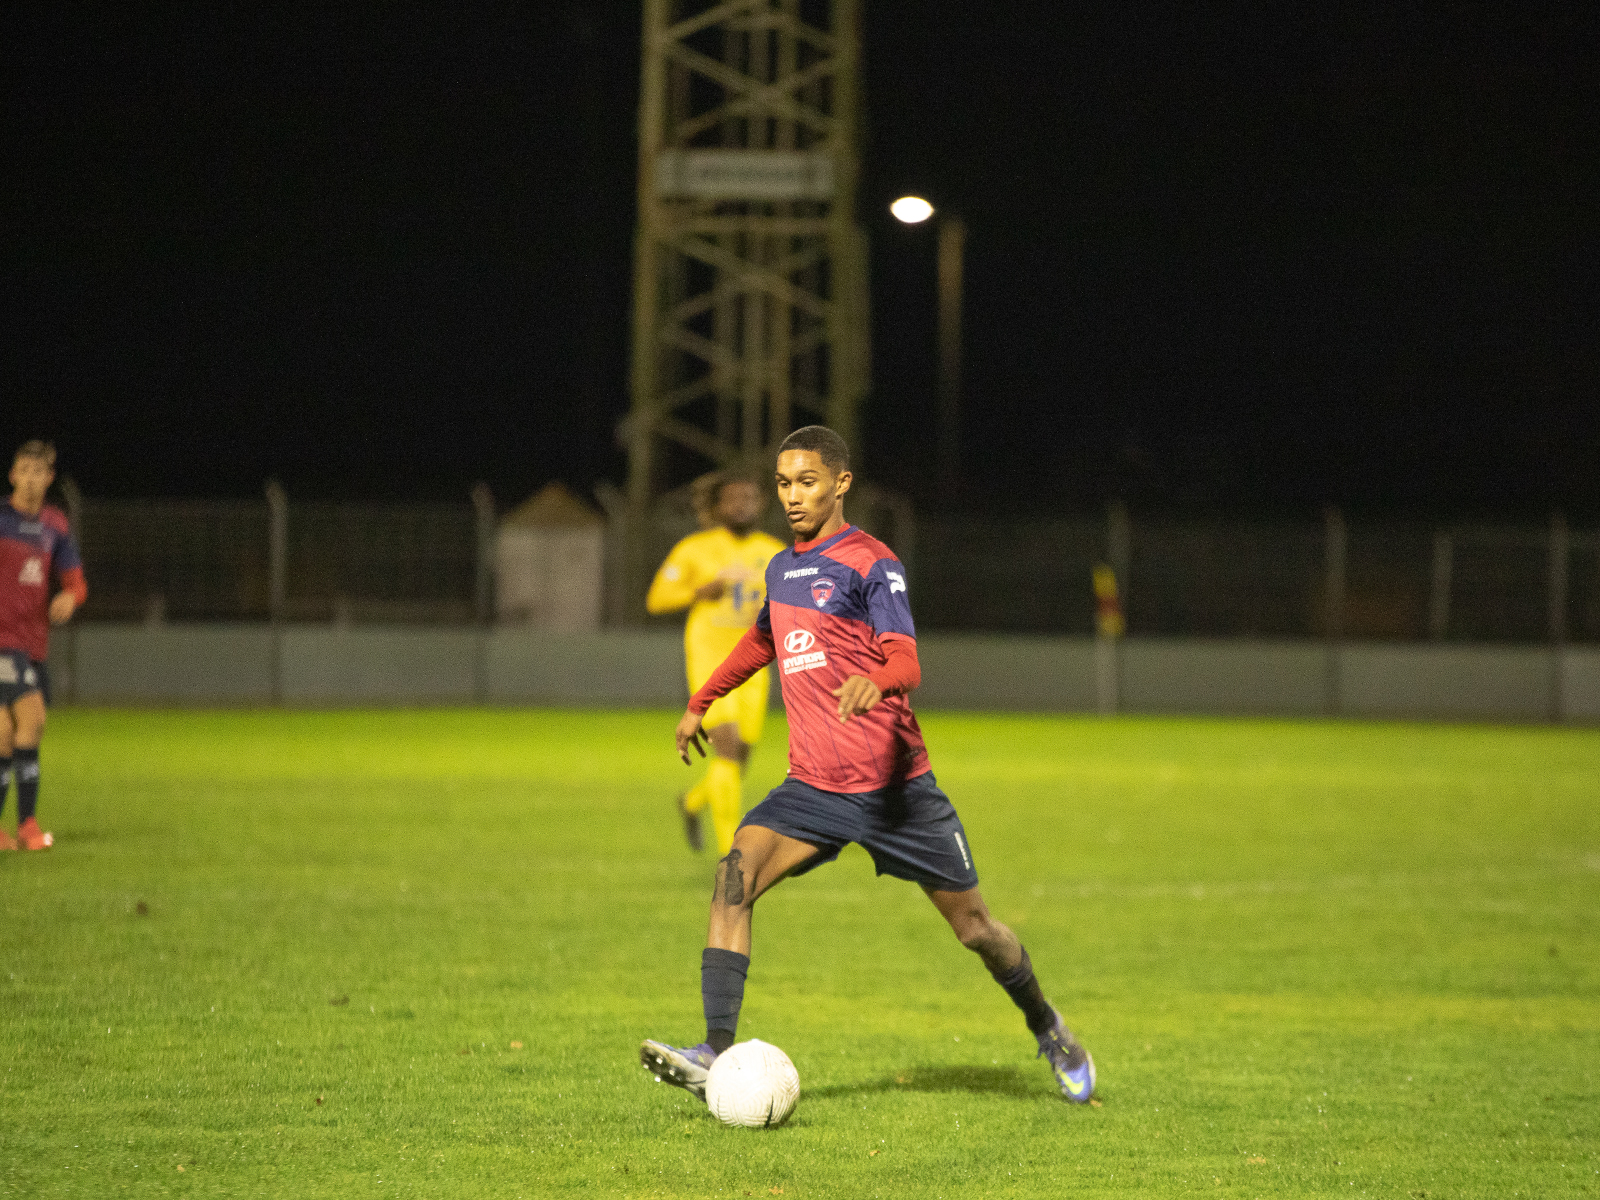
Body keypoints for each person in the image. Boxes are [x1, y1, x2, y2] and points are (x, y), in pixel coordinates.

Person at [639, 426, 1096, 1104]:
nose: (792, 497)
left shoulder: (870, 563)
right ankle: (715, 1049)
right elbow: (760, 641)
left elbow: (908, 659)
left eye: (807, 483)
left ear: (840, 483)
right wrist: (700, 701)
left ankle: (1046, 1024)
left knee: (977, 929)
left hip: (898, 793)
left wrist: (878, 680)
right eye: (784, 484)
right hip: (813, 789)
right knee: (733, 877)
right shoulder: (783, 567)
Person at [646, 472, 786, 856]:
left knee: (739, 761)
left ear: (760, 505)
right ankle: (733, 858)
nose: (742, 505)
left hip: (756, 665)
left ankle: (692, 803)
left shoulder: (774, 551)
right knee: (726, 747)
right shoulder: (695, 549)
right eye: (733, 499)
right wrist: (698, 592)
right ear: (717, 507)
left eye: (750, 498)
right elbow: (657, 599)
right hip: (710, 660)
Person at [0, 441, 87, 852]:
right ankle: (29, 825)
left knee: (4, 734)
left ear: (49, 478)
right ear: (13, 475)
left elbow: (75, 581)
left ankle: (11, 830)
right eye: (25, 470)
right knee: (31, 720)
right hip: (1, 642)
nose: (31, 478)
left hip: (33, 645)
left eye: (40, 471)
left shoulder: (56, 524)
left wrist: (70, 598)